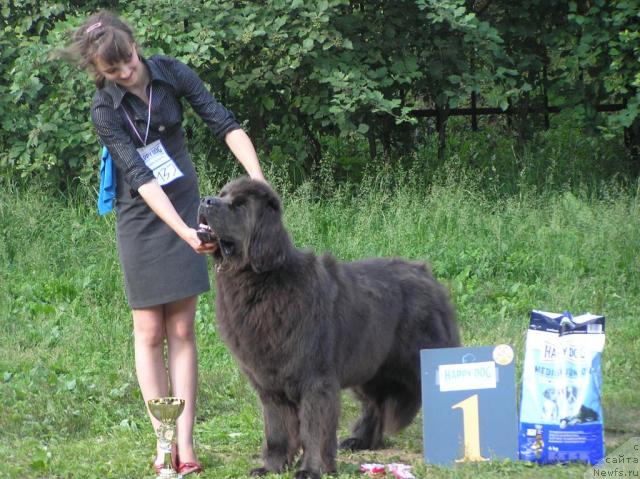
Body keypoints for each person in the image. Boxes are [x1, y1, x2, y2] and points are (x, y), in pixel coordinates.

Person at [57, 10, 265, 476]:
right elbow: (141, 176)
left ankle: (186, 445)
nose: (127, 72)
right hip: (142, 212)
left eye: (129, 60)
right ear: (99, 72)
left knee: (183, 331)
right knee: (149, 331)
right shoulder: (104, 110)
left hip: (187, 198)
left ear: (134, 45)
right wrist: (184, 232)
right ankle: (162, 441)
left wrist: (257, 180)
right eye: (114, 70)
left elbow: (223, 122)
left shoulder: (171, 72)